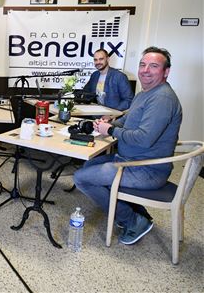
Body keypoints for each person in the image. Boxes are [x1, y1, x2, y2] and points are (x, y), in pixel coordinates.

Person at [74, 46, 182, 245]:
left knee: (81, 178)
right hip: (129, 159)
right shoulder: (145, 93)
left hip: (147, 169)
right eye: (142, 64)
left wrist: (111, 131)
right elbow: (127, 121)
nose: (145, 70)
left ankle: (132, 220)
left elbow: (143, 139)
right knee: (89, 165)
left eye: (154, 66)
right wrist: (107, 125)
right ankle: (135, 210)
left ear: (166, 71)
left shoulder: (162, 98)